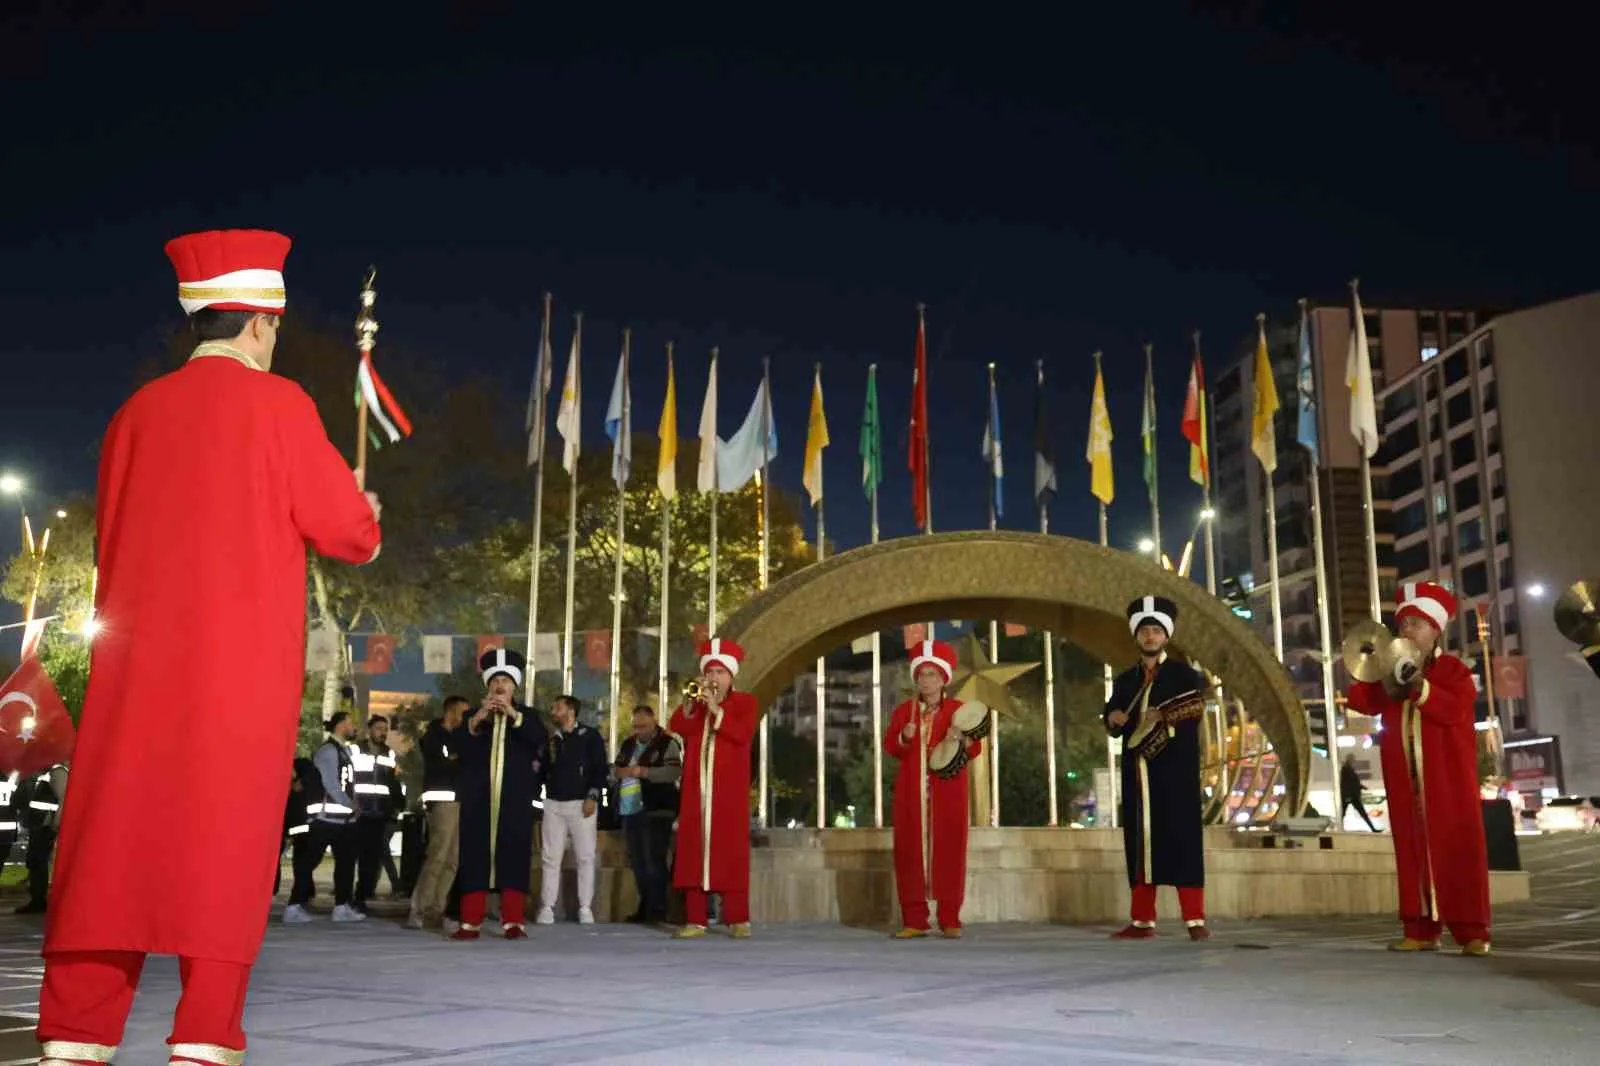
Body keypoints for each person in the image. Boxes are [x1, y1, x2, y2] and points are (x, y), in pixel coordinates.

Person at [37, 229, 382, 1066]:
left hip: (133, 672)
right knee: (219, 841)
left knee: (112, 838)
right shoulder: (281, 406)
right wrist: (366, 506)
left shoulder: (133, 414)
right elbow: (349, 533)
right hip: (236, 677)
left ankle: (76, 1034)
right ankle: (203, 1034)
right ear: (263, 321)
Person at [1346, 581, 1491, 956]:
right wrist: (1367, 664)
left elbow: (1453, 710)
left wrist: (1418, 684)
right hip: (1404, 781)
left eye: (1417, 623)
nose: (1407, 630)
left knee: (1459, 850)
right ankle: (1419, 927)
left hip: (1448, 782)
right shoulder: (1391, 669)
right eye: (1404, 623)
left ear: (1436, 629)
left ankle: (1472, 929)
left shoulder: (1454, 670)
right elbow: (1363, 702)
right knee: (1411, 851)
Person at [1104, 595, 1210, 941]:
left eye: (1156, 630)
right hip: (1138, 774)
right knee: (1140, 843)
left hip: (1175, 773)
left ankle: (1194, 919)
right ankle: (1142, 920)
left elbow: (1194, 707)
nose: (1150, 636)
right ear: (1137, 636)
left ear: (1166, 636)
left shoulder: (1186, 675)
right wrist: (1113, 718)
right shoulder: (1124, 680)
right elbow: (1112, 717)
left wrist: (1162, 715)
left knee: (1181, 840)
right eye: (1144, 631)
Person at [884, 640, 980, 939]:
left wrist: (960, 739)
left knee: (950, 849)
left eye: (932, 675)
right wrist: (904, 735)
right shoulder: (904, 711)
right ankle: (914, 919)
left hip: (947, 792)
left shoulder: (959, 711)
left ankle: (950, 918)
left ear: (943, 679)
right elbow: (891, 747)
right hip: (912, 793)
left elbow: (975, 749)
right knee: (910, 852)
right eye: (922, 674)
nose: (926, 680)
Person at [449, 648, 547, 940]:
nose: (499, 686)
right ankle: (470, 922)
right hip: (479, 801)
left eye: (505, 681)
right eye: (495, 681)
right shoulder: (472, 716)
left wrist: (513, 714)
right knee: (474, 857)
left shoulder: (528, 716)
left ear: (514, 686)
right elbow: (457, 749)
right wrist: (477, 719)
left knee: (513, 856)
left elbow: (539, 740)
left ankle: (513, 921)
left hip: (514, 801)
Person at [669, 638, 758, 939]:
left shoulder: (745, 703)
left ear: (731, 676)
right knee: (694, 851)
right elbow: (678, 726)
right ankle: (696, 919)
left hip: (728, 794)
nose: (714, 678)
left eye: (720, 672)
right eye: (710, 672)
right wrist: (691, 704)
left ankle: (738, 918)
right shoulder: (699, 705)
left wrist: (717, 709)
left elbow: (742, 734)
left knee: (730, 852)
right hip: (696, 793)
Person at [284, 713, 366, 924]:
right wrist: (350, 804)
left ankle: (341, 906)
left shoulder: (344, 751)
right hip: (325, 819)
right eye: (350, 722)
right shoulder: (328, 751)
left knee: (346, 864)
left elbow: (348, 783)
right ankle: (294, 906)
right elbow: (331, 784)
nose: (353, 726)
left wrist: (352, 806)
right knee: (309, 862)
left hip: (343, 820)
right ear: (340, 726)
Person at [536, 694, 608, 925]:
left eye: (557, 707)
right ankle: (547, 907)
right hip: (554, 804)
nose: (553, 710)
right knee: (550, 856)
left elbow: (599, 768)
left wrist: (593, 795)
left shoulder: (589, 736)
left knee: (585, 856)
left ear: (571, 711)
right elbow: (542, 770)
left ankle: (585, 907)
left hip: (581, 803)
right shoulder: (551, 740)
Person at [614, 705, 683, 923]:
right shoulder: (629, 743)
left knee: (655, 860)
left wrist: (643, 772)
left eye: (643, 725)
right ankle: (645, 905)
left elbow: (673, 771)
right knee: (638, 862)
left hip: (657, 809)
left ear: (653, 721)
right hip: (630, 808)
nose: (639, 730)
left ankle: (658, 907)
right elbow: (618, 768)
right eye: (636, 726)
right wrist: (621, 772)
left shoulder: (666, 743)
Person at [407, 696, 467, 929]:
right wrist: (456, 760)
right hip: (443, 802)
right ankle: (419, 909)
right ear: (450, 712)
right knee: (437, 856)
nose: (466, 717)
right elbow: (445, 764)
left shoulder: (459, 738)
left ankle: (436, 909)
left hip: (460, 801)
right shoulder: (434, 735)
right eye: (463, 712)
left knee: (452, 860)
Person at [16, 762, 68, 915]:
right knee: (35, 861)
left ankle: (38, 900)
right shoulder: (44, 772)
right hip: (40, 824)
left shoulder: (57, 772)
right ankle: (37, 898)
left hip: (46, 825)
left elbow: (64, 798)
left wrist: (56, 822)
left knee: (38, 861)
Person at [1340, 756, 1379, 832]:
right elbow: (1345, 783)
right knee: (1343, 813)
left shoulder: (1349, 769)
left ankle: (1373, 828)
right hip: (1350, 795)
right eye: (1352, 760)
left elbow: (1354, 783)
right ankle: (1339, 828)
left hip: (1353, 795)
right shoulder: (1346, 769)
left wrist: (1362, 787)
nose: (1353, 761)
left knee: (1361, 813)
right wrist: (1347, 795)